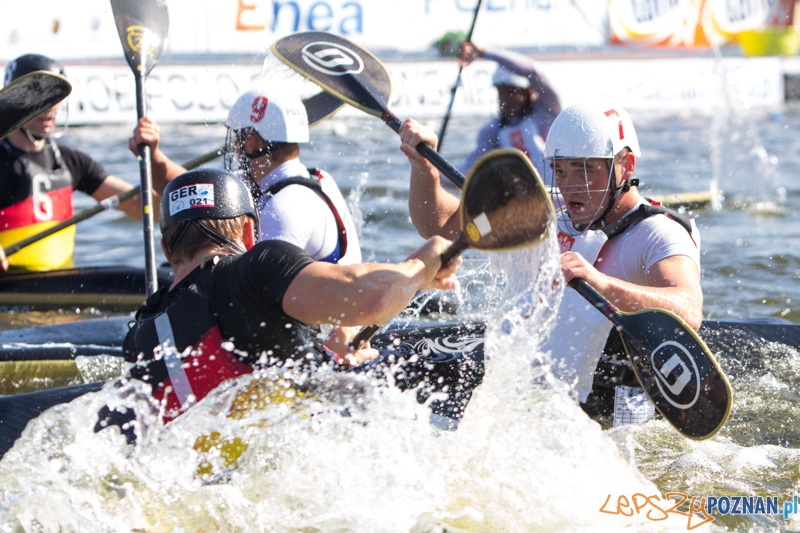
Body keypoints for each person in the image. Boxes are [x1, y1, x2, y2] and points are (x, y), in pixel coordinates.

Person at [399, 103, 702, 428]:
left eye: (584, 170)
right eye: (559, 170)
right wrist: (423, 168)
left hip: (607, 425)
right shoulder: (543, 212)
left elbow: (688, 308)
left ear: (625, 165)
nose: (570, 185)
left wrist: (601, 283)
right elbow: (439, 224)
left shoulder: (658, 232)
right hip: (524, 404)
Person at [95, 168, 457, 435]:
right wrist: (423, 264)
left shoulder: (141, 335)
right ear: (250, 232)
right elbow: (373, 298)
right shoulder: (256, 267)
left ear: (166, 249)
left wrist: (329, 351)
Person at [130, 84, 362, 265]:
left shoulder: (283, 208)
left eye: (238, 138)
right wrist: (153, 155)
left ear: (251, 143)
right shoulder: (308, 180)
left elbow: (265, 301)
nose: (236, 149)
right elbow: (188, 193)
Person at [0, 54, 154, 272]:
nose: (50, 107)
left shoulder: (71, 161)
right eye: (40, 96)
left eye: (56, 96)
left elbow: (146, 207)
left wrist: (155, 159)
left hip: (61, 284)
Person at [456, 41, 562, 178]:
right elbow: (469, 172)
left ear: (528, 92)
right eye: (501, 93)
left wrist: (483, 52)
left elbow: (533, 72)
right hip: (527, 199)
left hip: (559, 195)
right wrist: (431, 169)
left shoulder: (548, 111)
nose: (506, 99)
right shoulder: (493, 130)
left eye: (511, 92)